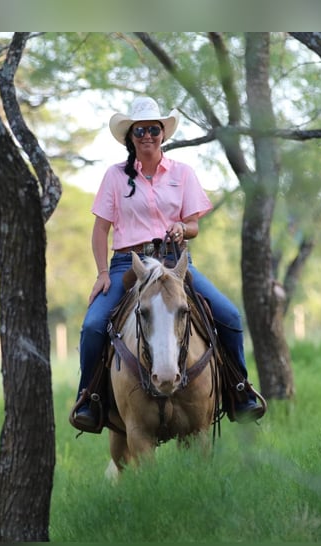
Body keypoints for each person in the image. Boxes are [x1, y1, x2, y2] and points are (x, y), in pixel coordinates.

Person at [72, 95, 264, 429]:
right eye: (140, 130)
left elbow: (194, 226)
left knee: (230, 315)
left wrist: (181, 227)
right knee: (91, 326)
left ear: (163, 134)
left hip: (174, 263)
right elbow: (100, 229)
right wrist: (102, 272)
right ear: (130, 137)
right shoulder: (115, 177)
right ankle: (90, 399)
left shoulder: (183, 173)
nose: (147, 135)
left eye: (154, 129)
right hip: (127, 266)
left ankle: (240, 390)